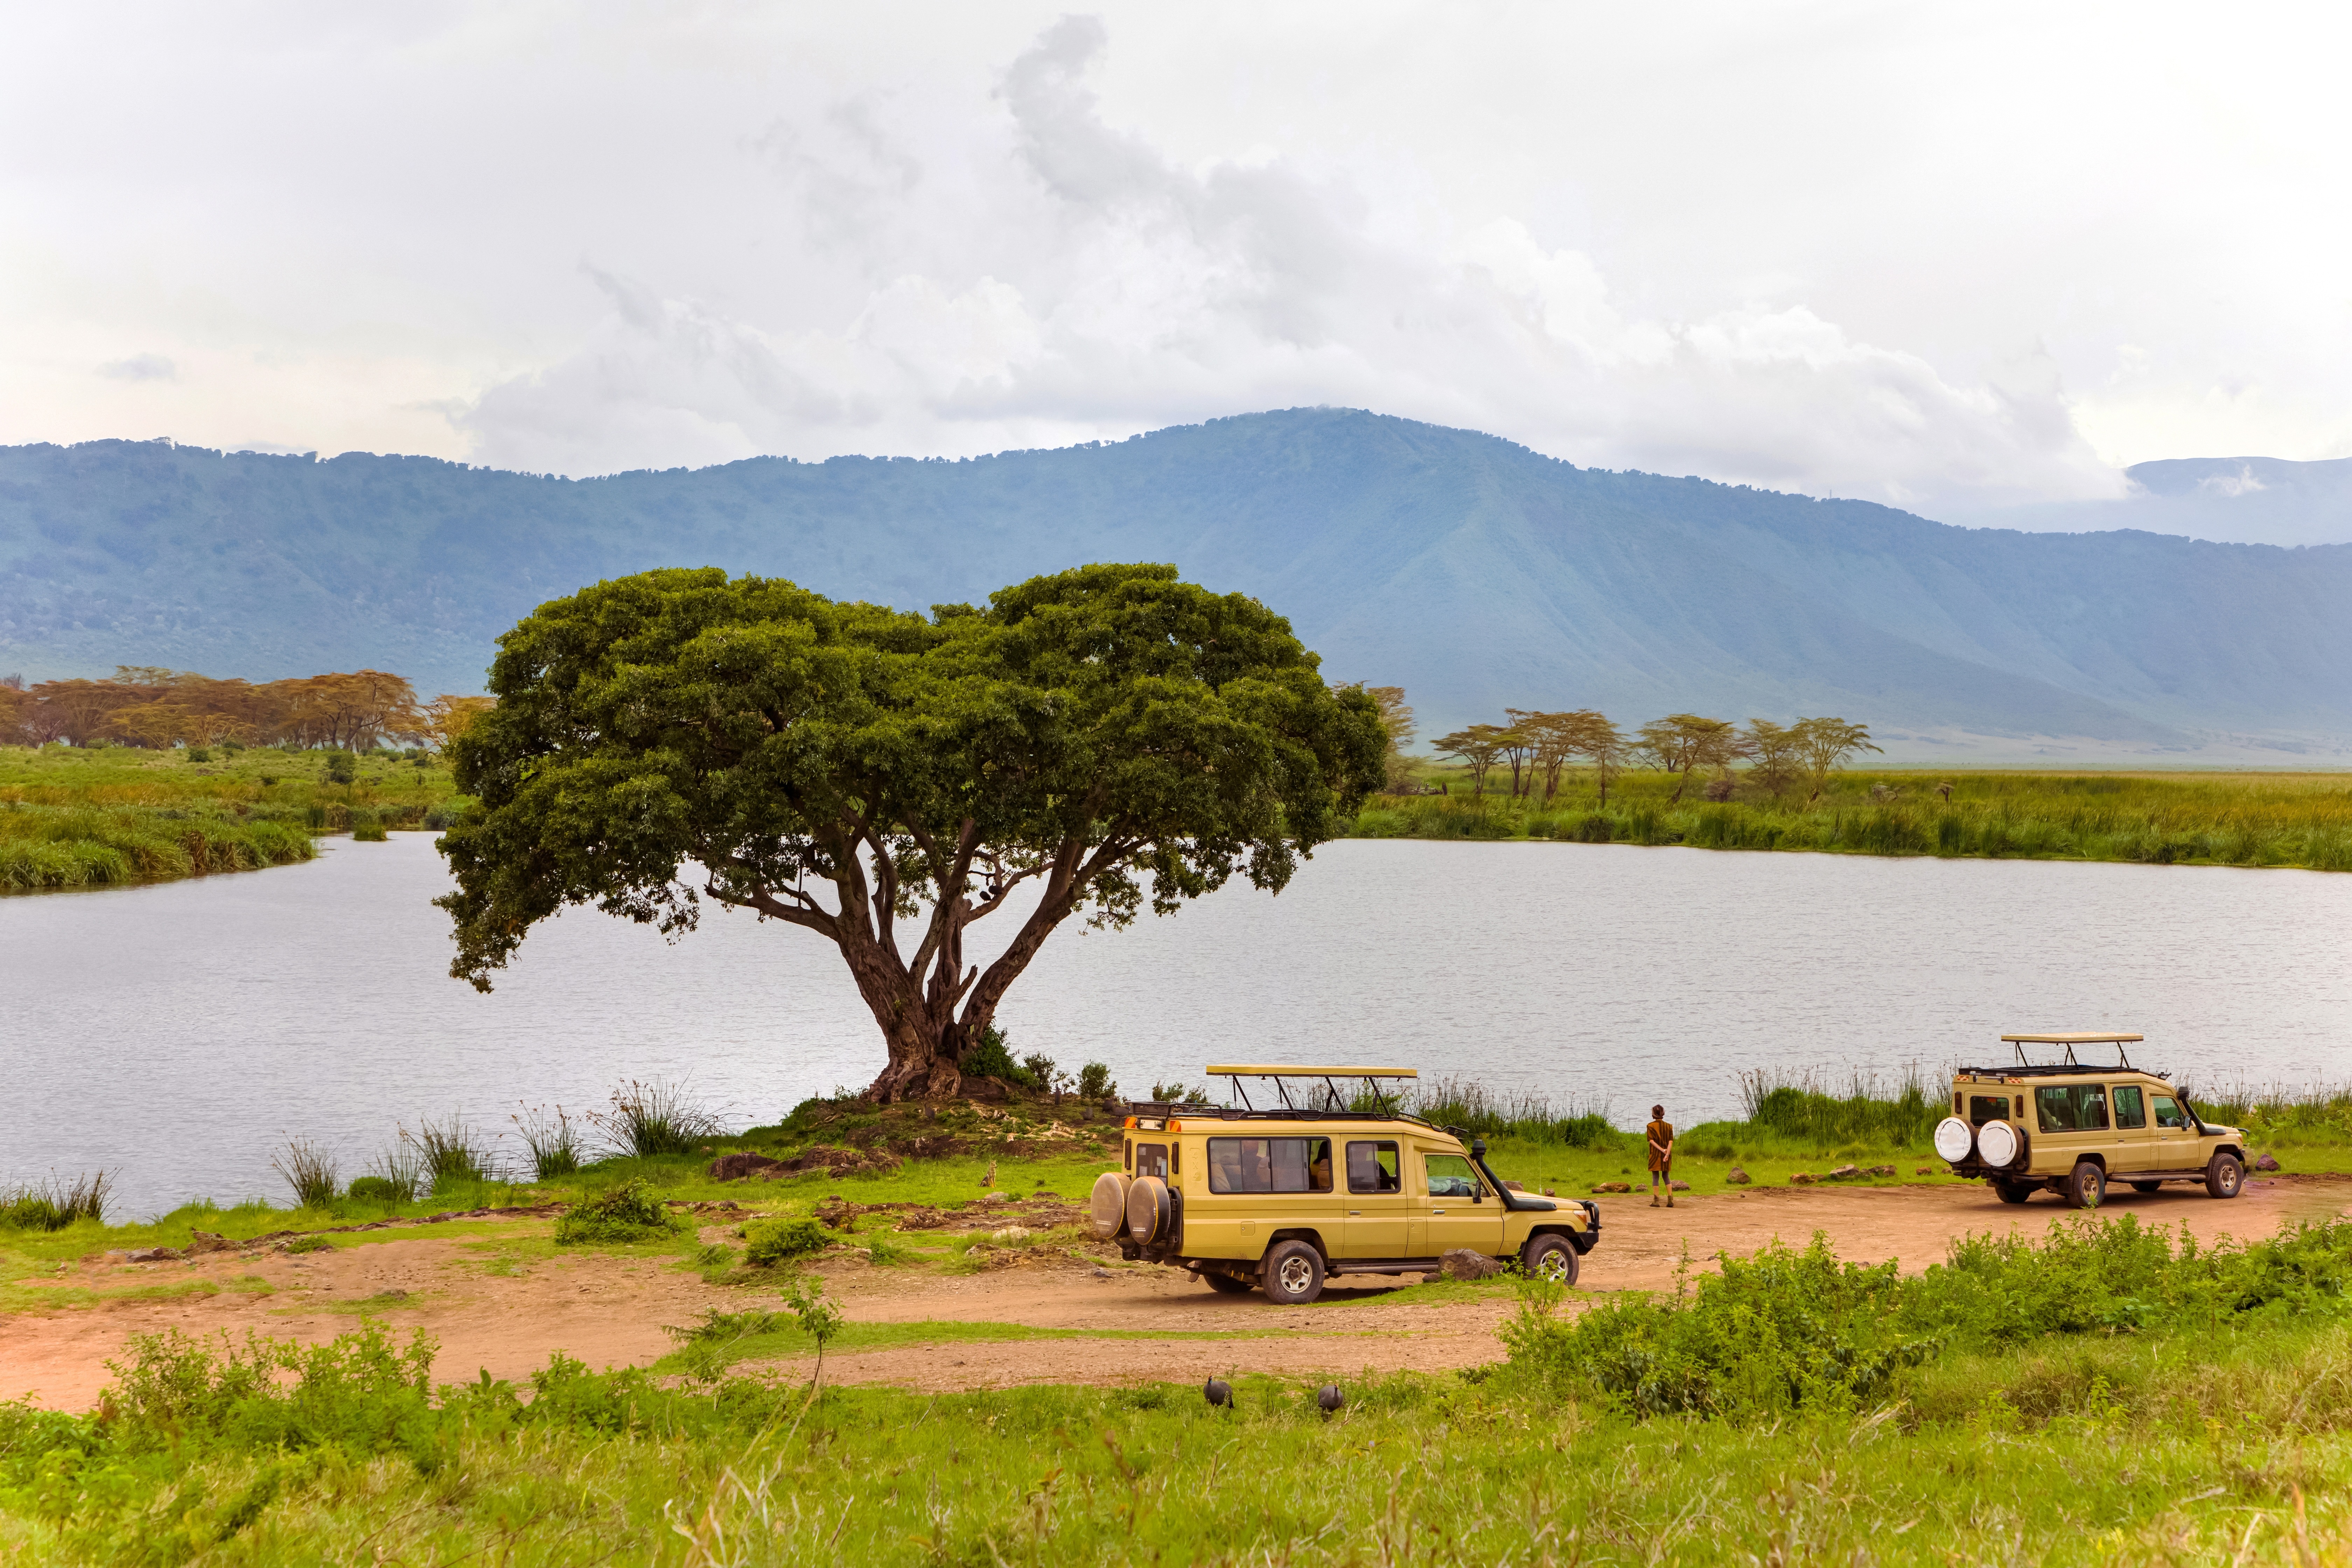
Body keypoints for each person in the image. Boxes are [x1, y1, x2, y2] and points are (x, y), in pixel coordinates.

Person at [1646, 1105, 1674, 1207]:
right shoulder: (1669, 1126)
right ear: (1663, 1114)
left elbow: (1652, 1141)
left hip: (1655, 1155)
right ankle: (1670, 1199)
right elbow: (1671, 1142)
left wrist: (1662, 1151)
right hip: (1667, 1154)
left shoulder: (1650, 1126)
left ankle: (1656, 1201)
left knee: (1655, 1177)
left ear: (1653, 1115)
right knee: (1666, 1176)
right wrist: (1667, 1154)